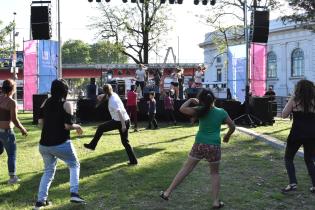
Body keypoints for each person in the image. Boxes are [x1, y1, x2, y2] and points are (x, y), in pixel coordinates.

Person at [160, 88, 235, 209]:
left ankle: (167, 192)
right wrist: (227, 136)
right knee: (215, 173)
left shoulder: (199, 110)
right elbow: (232, 126)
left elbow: (181, 109)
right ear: (214, 99)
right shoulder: (221, 112)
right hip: (214, 146)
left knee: (186, 169)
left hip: (199, 144)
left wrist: (190, 99)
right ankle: (215, 202)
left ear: (201, 100)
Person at [35, 79, 85, 209]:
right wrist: (78, 126)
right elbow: (67, 126)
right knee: (74, 165)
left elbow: (40, 124)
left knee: (48, 171)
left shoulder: (45, 102)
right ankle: (74, 193)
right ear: (65, 90)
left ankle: (40, 201)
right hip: (61, 143)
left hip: (44, 145)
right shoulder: (66, 104)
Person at [84, 84, 138, 165]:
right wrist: (101, 96)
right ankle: (134, 161)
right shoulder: (114, 94)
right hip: (123, 120)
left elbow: (119, 112)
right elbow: (105, 95)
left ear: (105, 91)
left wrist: (123, 125)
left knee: (101, 128)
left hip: (121, 121)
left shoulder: (113, 100)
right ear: (111, 89)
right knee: (125, 142)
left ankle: (92, 145)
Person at [281, 79, 315, 194]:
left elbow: (284, 114)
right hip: (312, 134)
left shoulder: (295, 100)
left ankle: (292, 183)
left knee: (288, 158)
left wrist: (291, 98)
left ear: (298, 89)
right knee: (309, 160)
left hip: (297, 133)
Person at [0, 79, 27, 184]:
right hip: (6, 132)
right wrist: (22, 129)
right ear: (13, 89)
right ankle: (12, 178)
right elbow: (15, 120)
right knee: (11, 154)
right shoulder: (12, 102)